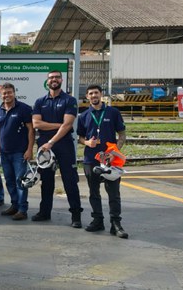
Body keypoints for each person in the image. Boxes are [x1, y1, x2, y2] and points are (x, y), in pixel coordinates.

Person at [32, 70, 83, 228]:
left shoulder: (70, 100)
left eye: (56, 77)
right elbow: (37, 124)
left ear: (61, 80)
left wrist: (52, 141)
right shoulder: (40, 101)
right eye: (51, 78)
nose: (54, 80)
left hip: (63, 145)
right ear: (47, 81)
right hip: (44, 145)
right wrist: (61, 126)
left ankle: (76, 216)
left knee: (70, 181)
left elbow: (68, 125)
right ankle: (44, 212)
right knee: (46, 181)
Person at [77, 85, 129, 238]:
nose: (94, 95)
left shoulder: (113, 112)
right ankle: (97, 220)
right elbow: (79, 137)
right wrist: (87, 143)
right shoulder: (84, 115)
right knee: (94, 192)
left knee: (113, 193)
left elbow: (122, 134)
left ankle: (116, 223)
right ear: (87, 96)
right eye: (91, 93)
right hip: (90, 159)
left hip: (110, 161)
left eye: (96, 93)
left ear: (101, 95)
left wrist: (115, 153)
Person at [0, 83, 34, 221]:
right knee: (9, 181)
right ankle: (14, 205)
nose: (7, 95)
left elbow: (31, 130)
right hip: (4, 153)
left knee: (20, 181)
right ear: (0, 95)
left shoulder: (24, 109)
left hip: (19, 153)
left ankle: (22, 209)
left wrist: (29, 149)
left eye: (9, 92)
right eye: (4, 93)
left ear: (14, 93)